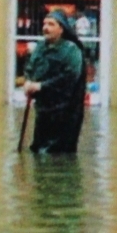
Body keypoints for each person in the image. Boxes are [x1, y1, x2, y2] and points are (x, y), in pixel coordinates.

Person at [22, 11, 87, 154]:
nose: (46, 27)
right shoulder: (40, 47)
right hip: (43, 109)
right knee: (38, 149)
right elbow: (30, 67)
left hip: (65, 112)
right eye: (45, 24)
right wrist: (28, 82)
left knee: (59, 153)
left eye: (51, 24)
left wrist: (41, 86)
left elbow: (69, 77)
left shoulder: (71, 50)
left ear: (61, 29)